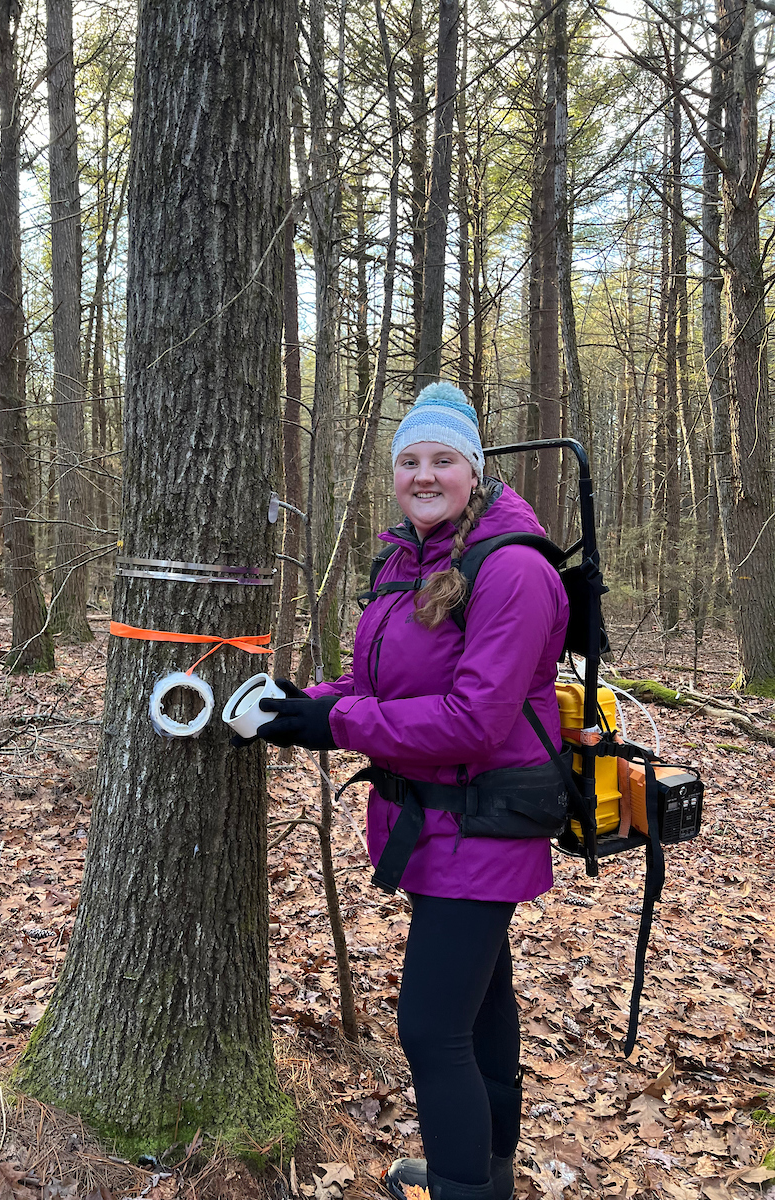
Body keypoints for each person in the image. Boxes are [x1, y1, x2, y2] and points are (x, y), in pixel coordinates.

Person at [239, 382, 569, 1200]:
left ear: (474, 469)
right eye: (410, 461)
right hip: (436, 823)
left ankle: (464, 1187)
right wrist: (307, 702)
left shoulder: (513, 568)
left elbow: (473, 721)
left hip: (483, 825)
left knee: (430, 1029)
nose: (424, 476)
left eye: (442, 460)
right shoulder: (408, 555)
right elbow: (375, 677)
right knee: (480, 1009)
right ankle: (484, 1171)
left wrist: (337, 727)